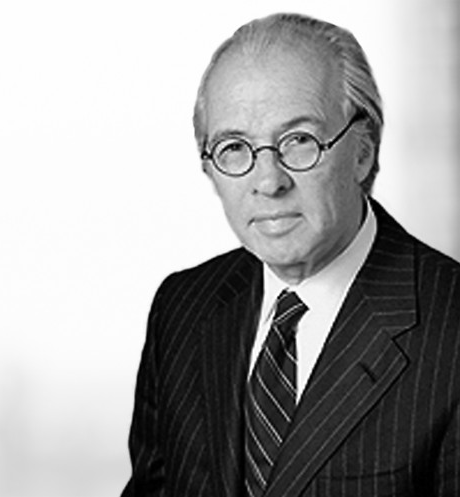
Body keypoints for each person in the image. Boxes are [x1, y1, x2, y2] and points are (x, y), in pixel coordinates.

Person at [121, 13, 460, 497]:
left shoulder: (450, 326)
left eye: (298, 141)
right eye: (234, 147)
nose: (268, 181)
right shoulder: (183, 308)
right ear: (209, 169)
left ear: (362, 150)